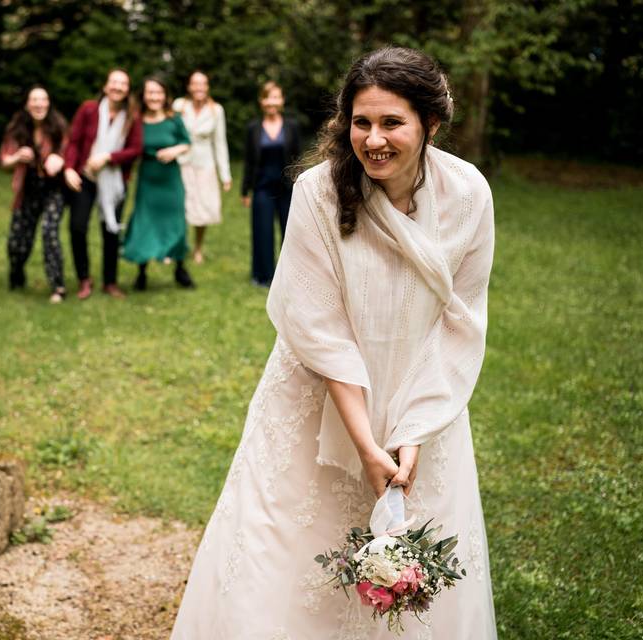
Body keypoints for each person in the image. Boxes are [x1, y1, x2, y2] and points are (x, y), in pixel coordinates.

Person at [172, 47, 497, 638]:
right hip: (316, 400)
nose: (373, 140)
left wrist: (414, 430)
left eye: (392, 123)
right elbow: (319, 328)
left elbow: (462, 321)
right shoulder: (318, 193)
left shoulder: (469, 194)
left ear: (432, 124)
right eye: (361, 121)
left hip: (423, 401)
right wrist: (366, 441)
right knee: (283, 563)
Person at [63, 69, 143, 299]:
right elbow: (74, 141)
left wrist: (108, 157)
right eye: (114, 82)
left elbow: (135, 149)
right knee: (77, 227)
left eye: (123, 84)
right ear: (106, 86)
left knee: (111, 231)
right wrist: (69, 168)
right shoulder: (89, 109)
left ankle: (110, 281)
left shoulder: (131, 116)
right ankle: (84, 279)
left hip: (114, 180)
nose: (118, 87)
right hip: (85, 177)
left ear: (127, 90)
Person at [123, 76, 193, 290]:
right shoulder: (136, 121)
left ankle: (180, 268)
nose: (154, 97)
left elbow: (186, 143)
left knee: (175, 223)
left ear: (165, 95)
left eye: (158, 92)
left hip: (170, 180)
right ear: (144, 96)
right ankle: (142, 271)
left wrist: (173, 150)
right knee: (144, 222)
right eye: (150, 92)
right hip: (148, 179)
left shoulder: (174, 119)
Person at [0, 85, 69, 303]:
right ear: (27, 104)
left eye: (43, 99)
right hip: (27, 190)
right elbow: (4, 161)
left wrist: (60, 160)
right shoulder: (17, 128)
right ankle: (16, 272)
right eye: (34, 100)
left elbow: (70, 152)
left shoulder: (58, 126)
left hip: (53, 189)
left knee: (50, 232)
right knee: (17, 241)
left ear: (48, 103)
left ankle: (58, 286)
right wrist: (17, 157)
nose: (39, 104)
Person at [241, 81, 302, 287]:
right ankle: (263, 275)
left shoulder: (292, 126)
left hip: (287, 188)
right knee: (262, 232)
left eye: (276, 97)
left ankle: (291, 274)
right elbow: (249, 162)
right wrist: (244, 191)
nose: (271, 102)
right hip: (262, 188)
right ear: (261, 101)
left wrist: (300, 187)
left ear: (282, 100)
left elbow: (298, 159)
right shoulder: (253, 129)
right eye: (268, 97)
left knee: (291, 233)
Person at [171, 71, 232, 265]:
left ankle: (198, 247)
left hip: (205, 163)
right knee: (179, 206)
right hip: (181, 161)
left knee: (203, 208)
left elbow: (220, 143)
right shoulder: (179, 106)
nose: (199, 88)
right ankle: (175, 247)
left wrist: (226, 175)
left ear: (207, 87)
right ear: (189, 87)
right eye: (195, 84)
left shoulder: (216, 110)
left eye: (203, 84)